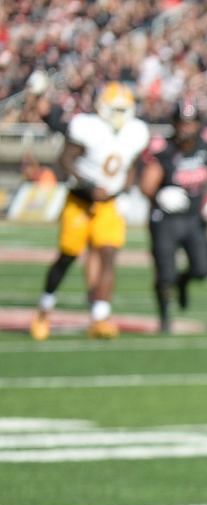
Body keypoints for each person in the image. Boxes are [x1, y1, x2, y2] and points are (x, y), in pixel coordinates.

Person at [29, 82, 150, 341]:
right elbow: (65, 159)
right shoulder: (89, 127)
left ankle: (100, 315)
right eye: (115, 109)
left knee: (108, 253)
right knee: (68, 257)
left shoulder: (136, 132)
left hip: (110, 204)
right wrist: (88, 185)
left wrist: (125, 192)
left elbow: (129, 166)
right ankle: (44, 309)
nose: (119, 115)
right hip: (80, 201)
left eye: (123, 109)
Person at [138, 99, 207, 335]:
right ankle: (164, 318)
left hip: (194, 218)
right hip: (165, 219)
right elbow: (146, 185)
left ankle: (184, 282)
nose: (186, 129)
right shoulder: (164, 150)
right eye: (182, 123)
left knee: (202, 269)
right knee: (165, 273)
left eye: (191, 124)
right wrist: (159, 196)